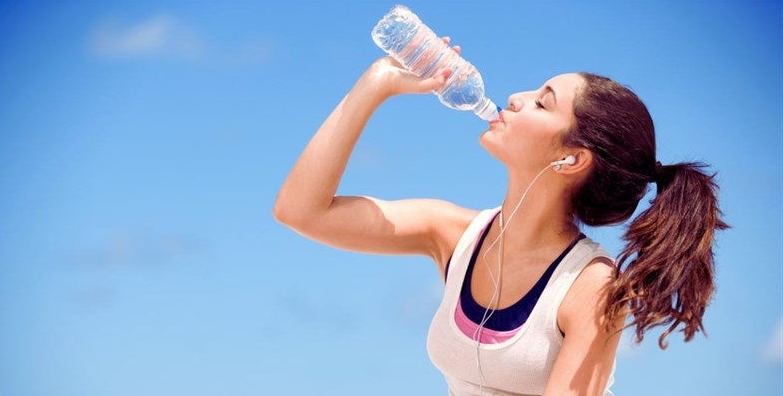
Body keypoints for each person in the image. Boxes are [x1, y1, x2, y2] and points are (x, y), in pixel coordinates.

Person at [272, 39, 727, 395]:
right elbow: (300, 211)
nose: (515, 96)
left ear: (570, 159)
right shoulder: (450, 234)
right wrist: (375, 84)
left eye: (542, 102)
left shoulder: (589, 288)